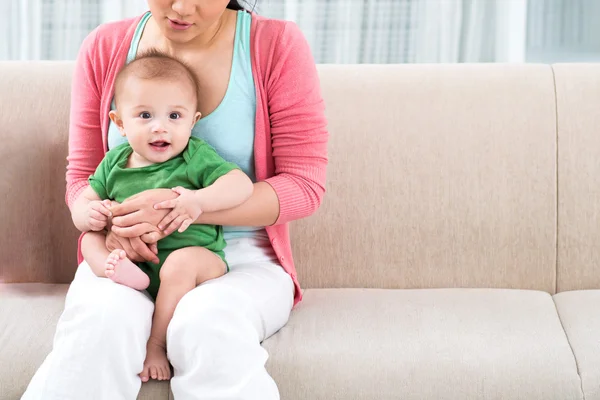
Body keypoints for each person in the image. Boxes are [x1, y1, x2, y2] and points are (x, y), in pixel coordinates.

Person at [22, 0, 327, 398]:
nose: (181, 6)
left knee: (205, 323)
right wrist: (110, 219)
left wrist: (178, 208)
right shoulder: (104, 47)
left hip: (239, 255)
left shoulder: (276, 45)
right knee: (102, 322)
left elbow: (304, 186)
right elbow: (83, 178)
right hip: (126, 253)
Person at [74, 50, 254, 381]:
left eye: (174, 116)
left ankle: (156, 345)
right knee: (88, 240)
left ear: (193, 121)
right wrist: (93, 214)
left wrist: (198, 201)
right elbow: (82, 202)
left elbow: (240, 184)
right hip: (134, 262)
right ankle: (115, 272)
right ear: (119, 123)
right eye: (145, 115)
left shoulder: (194, 157)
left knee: (179, 264)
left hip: (197, 260)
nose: (161, 128)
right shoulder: (114, 163)